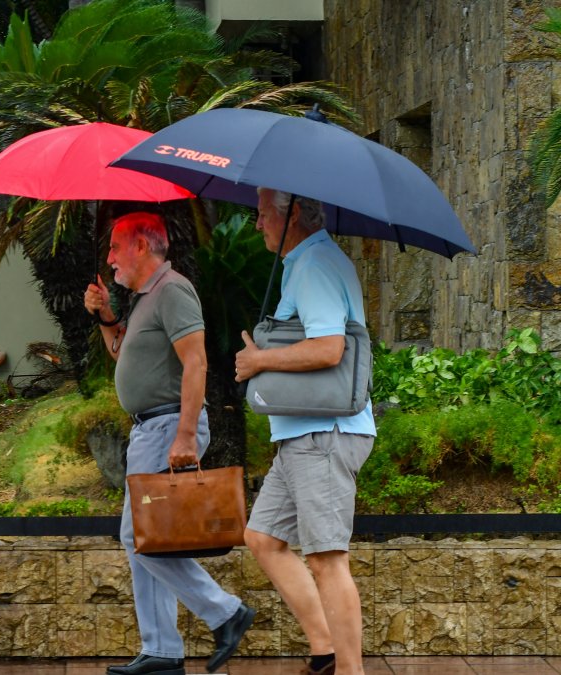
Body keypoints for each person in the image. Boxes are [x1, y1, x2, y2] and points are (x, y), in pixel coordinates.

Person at [85, 212, 254, 675]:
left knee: (134, 537)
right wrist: (105, 316)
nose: (110, 258)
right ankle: (161, 650)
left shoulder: (173, 289)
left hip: (166, 428)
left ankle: (225, 612)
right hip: (148, 428)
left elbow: (196, 361)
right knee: (147, 539)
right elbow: (121, 351)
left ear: (142, 244)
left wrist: (184, 434)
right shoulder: (144, 298)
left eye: (116, 247)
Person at [234, 189, 376, 675]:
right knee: (263, 537)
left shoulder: (314, 264)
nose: (257, 225)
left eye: (261, 214)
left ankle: (350, 671)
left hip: (323, 435)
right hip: (302, 436)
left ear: (290, 213)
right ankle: (325, 652)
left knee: (327, 559)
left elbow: (329, 348)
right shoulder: (306, 262)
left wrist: (260, 361)